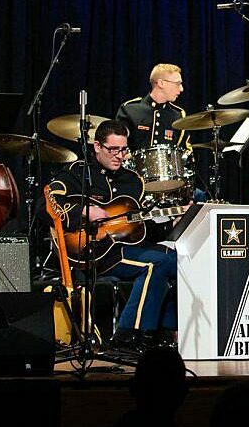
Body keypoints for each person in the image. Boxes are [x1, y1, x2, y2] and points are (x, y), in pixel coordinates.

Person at [43, 120, 177, 349]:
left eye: (124, 150)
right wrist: (82, 211)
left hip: (125, 247)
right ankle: (128, 334)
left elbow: (140, 228)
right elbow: (47, 202)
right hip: (94, 252)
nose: (120, 156)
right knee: (155, 263)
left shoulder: (133, 181)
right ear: (97, 146)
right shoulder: (77, 173)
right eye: (113, 149)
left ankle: (165, 332)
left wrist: (171, 221)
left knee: (180, 261)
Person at [115, 63, 192, 152]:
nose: (181, 89)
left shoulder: (178, 115)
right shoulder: (130, 110)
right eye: (177, 84)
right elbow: (116, 145)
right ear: (161, 83)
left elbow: (185, 151)